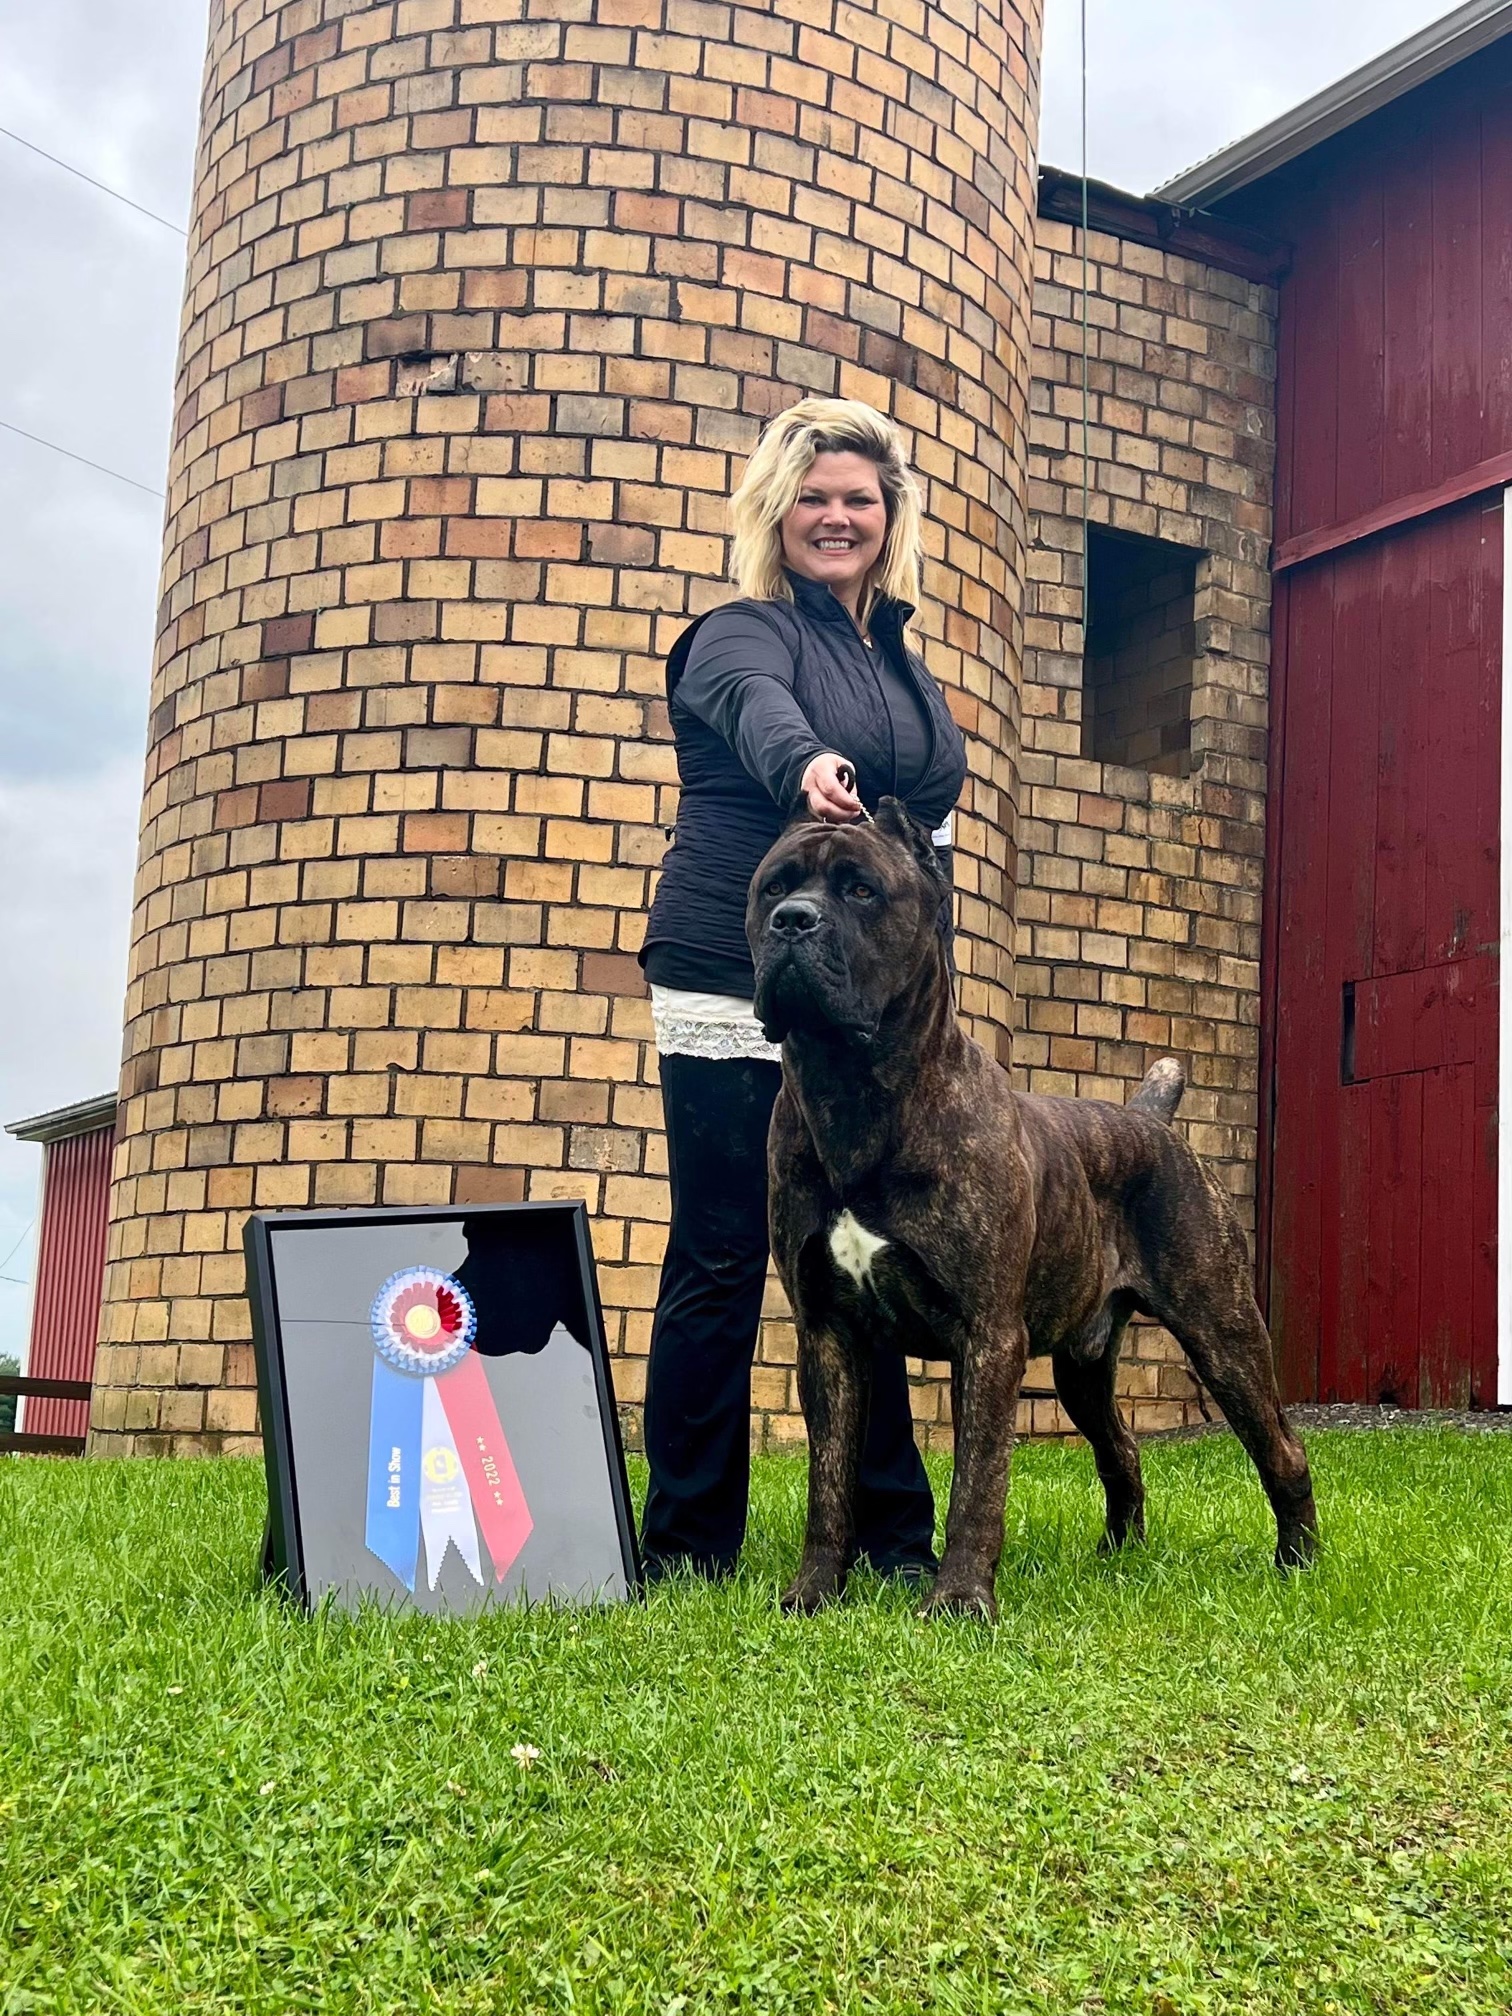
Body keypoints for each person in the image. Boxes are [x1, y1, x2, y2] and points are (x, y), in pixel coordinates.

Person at [637, 397, 969, 1582]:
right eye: (813, 498)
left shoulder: (902, 666)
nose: (837, 517)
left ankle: (890, 1536)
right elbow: (756, 709)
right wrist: (806, 764)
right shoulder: (740, 633)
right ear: (776, 513)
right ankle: (687, 1544)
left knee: (866, 1248)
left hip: (868, 1004)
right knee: (725, 1250)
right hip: (740, 967)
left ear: (890, 517)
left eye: (858, 499)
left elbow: (925, 834)